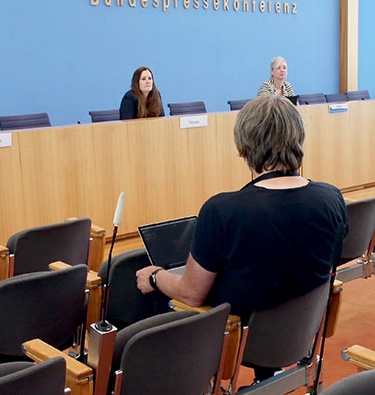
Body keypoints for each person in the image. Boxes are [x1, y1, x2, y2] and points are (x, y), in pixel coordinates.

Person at [135, 95, 348, 324]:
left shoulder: (221, 211)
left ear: (242, 148)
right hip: (303, 332)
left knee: (151, 293)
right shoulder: (332, 197)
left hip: (238, 340)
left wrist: (156, 276)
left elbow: (190, 294)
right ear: (299, 138)